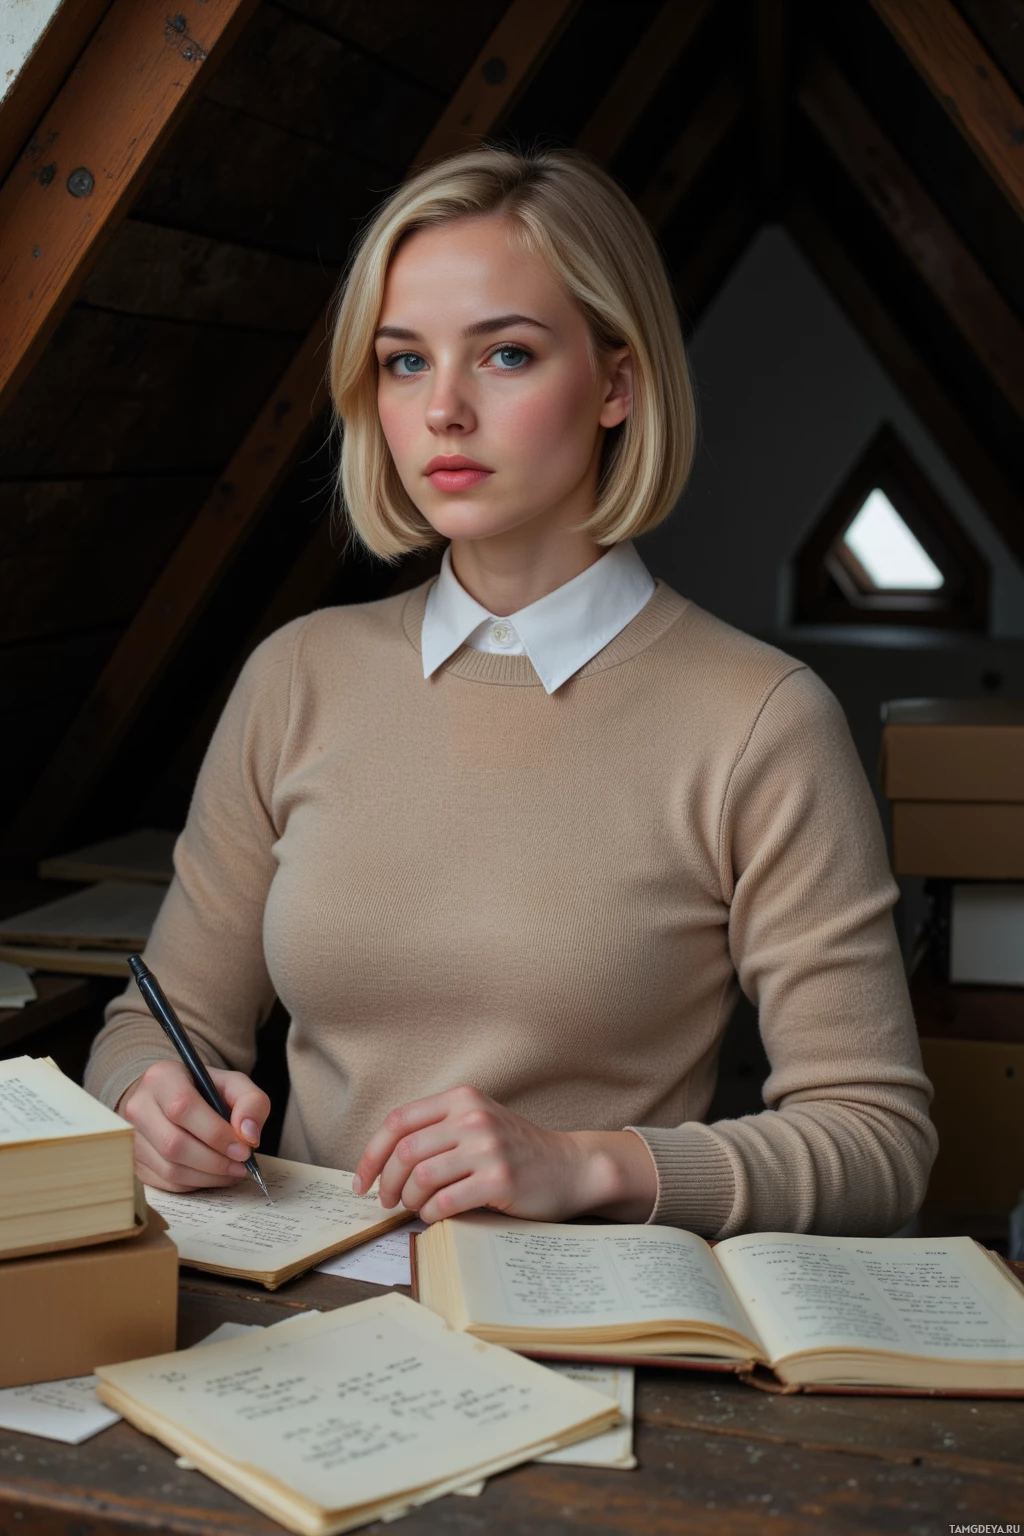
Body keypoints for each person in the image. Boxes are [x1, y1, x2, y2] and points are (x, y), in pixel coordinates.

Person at [84, 146, 937, 1238]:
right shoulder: (296, 674)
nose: (442, 409)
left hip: (589, 1317)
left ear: (618, 384)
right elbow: (152, 1025)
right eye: (404, 362)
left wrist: (585, 1165)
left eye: (506, 354)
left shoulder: (761, 718)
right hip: (300, 1307)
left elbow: (877, 1141)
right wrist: (149, 1099)